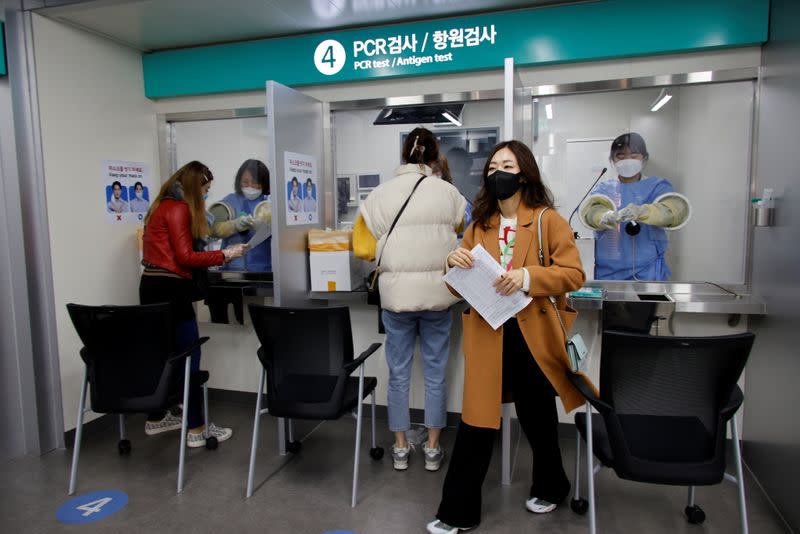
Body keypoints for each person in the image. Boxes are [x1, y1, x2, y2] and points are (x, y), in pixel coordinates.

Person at [427, 140, 591, 534]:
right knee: (477, 422)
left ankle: (552, 486)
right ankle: (456, 513)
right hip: (490, 333)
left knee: (538, 418)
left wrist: (529, 277)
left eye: (508, 164)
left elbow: (573, 274)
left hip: (532, 337)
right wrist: (452, 261)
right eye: (493, 166)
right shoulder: (478, 225)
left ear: (524, 173)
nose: (498, 172)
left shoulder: (548, 220)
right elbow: (455, 288)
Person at [354, 127, 467, 473]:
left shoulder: (378, 195)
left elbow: (361, 247)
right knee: (436, 374)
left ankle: (401, 448)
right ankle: (433, 449)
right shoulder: (450, 193)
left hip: (396, 300)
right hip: (438, 298)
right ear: (434, 157)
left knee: (398, 373)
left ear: (403, 155)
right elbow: (467, 230)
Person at [139, 160, 246, 447]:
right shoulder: (178, 209)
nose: (206, 196)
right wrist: (226, 255)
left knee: (163, 356)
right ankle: (198, 429)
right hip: (171, 290)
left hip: (151, 287)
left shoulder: (161, 205)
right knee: (190, 359)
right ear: (193, 187)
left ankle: (156, 418)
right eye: (206, 190)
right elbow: (185, 257)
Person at [579, 132, 691, 280]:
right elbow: (591, 213)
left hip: (647, 272)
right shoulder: (604, 189)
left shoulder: (657, 186)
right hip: (608, 273)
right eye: (621, 156)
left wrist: (645, 212)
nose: (627, 160)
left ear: (644, 158)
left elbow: (673, 212)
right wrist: (605, 217)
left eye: (633, 156)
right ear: (612, 159)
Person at [209, 159, 273, 272]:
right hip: (232, 269)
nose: (250, 186)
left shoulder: (270, 203)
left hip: (263, 268)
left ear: (264, 182)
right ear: (239, 181)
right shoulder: (230, 201)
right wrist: (233, 226)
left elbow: (284, 236)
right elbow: (212, 231)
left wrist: (265, 227)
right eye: (245, 181)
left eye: (255, 182)